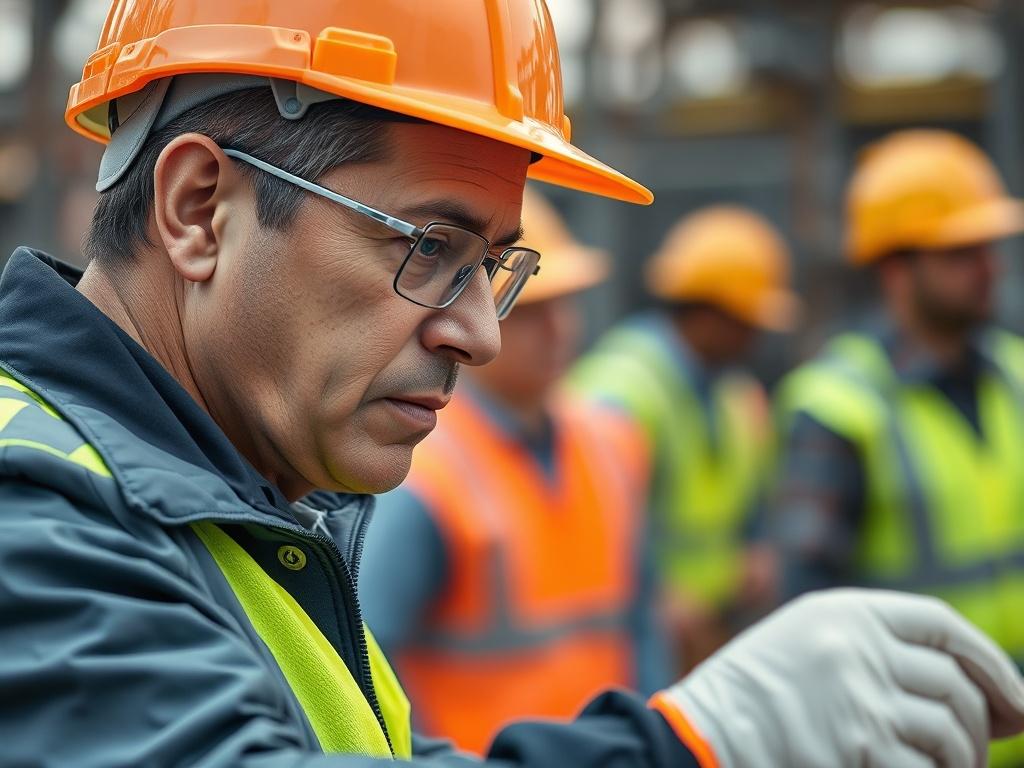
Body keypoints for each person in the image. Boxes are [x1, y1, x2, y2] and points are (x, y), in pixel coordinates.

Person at [1, 3, 1022, 766]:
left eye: (493, 264)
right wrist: (689, 746)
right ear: (197, 210)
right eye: (429, 244)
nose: (482, 333)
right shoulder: (30, 521)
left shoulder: (228, 499)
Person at [360, 186, 668, 754]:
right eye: (529, 312)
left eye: (563, 304)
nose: (557, 329)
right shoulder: (425, 471)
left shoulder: (614, 443)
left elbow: (641, 623)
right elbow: (375, 659)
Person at [772, 128, 1024, 766]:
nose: (988, 266)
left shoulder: (1017, 376)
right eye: (961, 251)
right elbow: (809, 611)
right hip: (919, 741)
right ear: (896, 270)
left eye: (988, 246)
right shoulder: (839, 406)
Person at [569, 205, 796, 671]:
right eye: (747, 321)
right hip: (641, 636)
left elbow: (746, 510)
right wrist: (656, 594)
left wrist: (755, 552)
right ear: (710, 313)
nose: (755, 337)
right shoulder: (621, 392)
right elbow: (580, 525)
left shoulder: (734, 393)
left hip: (713, 631)